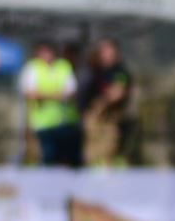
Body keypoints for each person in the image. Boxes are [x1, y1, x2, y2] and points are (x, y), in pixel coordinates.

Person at [20, 39, 81, 167]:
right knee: (45, 159)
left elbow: (71, 92)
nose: (46, 55)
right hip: (42, 124)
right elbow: (30, 93)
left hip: (64, 122)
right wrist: (56, 94)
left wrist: (44, 94)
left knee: (65, 160)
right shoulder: (32, 67)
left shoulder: (63, 66)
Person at [82, 38, 136, 167]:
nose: (106, 54)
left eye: (109, 50)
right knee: (91, 155)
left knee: (109, 152)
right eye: (103, 51)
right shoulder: (95, 70)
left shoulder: (120, 71)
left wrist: (101, 103)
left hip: (110, 119)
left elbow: (118, 92)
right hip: (94, 120)